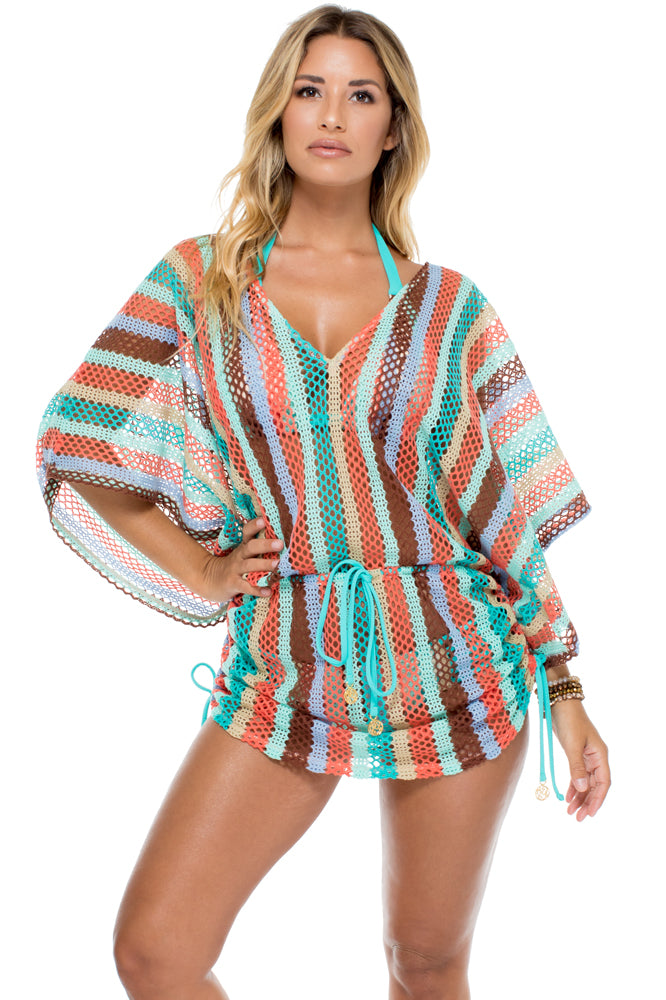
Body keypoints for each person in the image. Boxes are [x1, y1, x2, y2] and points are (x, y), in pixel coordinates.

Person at [36, 5, 611, 998]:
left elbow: (503, 516)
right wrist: (204, 568)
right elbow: (78, 439)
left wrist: (564, 691)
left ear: (394, 129)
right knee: (157, 951)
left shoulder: (451, 309)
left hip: (458, 659)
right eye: (310, 90)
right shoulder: (202, 281)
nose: (333, 114)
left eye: (361, 94)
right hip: (286, 661)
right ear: (279, 113)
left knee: (425, 964)